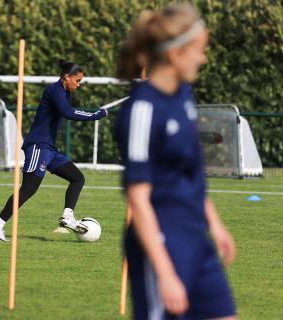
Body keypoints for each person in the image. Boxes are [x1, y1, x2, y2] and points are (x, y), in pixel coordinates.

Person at [114, 4, 237, 319]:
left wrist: (216, 225)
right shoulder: (141, 111)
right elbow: (138, 200)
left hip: (197, 238)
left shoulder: (184, 96)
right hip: (162, 245)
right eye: (199, 50)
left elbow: (191, 171)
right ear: (175, 53)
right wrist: (165, 271)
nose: (203, 58)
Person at [0, 59, 108, 241]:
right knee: (28, 189)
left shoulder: (64, 92)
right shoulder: (54, 91)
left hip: (50, 149)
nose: (79, 84)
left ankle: (67, 216)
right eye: (78, 80)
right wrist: (95, 115)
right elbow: (68, 112)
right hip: (38, 146)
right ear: (67, 77)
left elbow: (67, 110)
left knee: (77, 178)